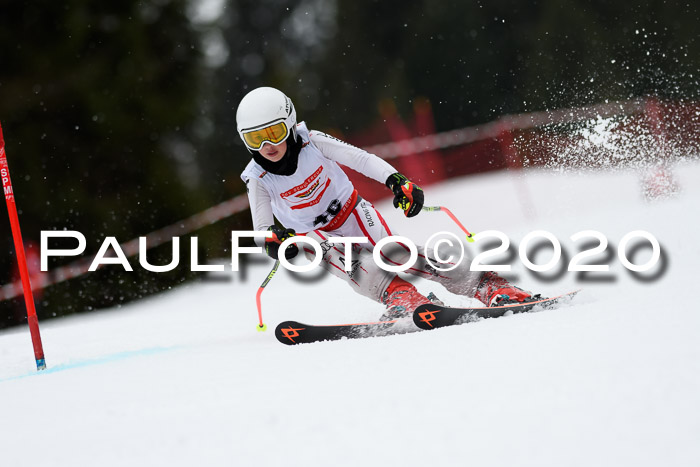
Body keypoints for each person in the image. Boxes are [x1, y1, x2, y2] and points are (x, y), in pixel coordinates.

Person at [238, 86, 538, 319]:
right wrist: (274, 240)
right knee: (351, 263)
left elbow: (361, 159)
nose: (268, 146)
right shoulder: (258, 177)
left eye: (274, 133)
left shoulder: (312, 141)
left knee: (398, 256)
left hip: (352, 212)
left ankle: (487, 285)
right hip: (314, 236)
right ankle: (401, 297)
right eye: (255, 139)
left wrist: (397, 181)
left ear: (289, 124)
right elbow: (262, 229)